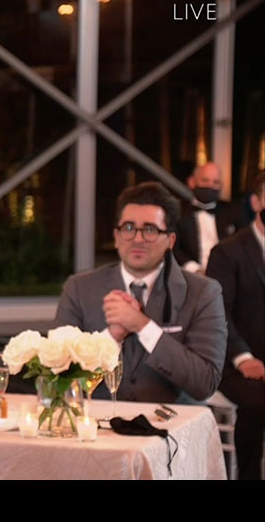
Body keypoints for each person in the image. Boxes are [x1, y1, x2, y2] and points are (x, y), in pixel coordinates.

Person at [55, 181, 227, 404]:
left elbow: (205, 383)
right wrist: (111, 337)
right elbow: (59, 377)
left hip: (171, 429)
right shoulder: (79, 288)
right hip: (96, 428)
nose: (137, 238)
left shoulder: (203, 293)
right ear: (116, 237)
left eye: (150, 229)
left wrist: (143, 326)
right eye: (128, 228)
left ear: (170, 241)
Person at [207, 171, 265, 479]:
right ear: (257, 202)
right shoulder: (227, 252)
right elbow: (218, 313)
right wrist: (244, 357)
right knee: (257, 402)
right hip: (235, 360)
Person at [173, 162, 243, 274]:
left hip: (227, 275)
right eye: (205, 180)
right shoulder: (178, 212)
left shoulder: (234, 211)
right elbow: (173, 247)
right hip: (189, 276)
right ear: (192, 182)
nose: (210, 186)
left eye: (216, 182)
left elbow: (243, 245)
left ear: (221, 186)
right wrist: (195, 270)